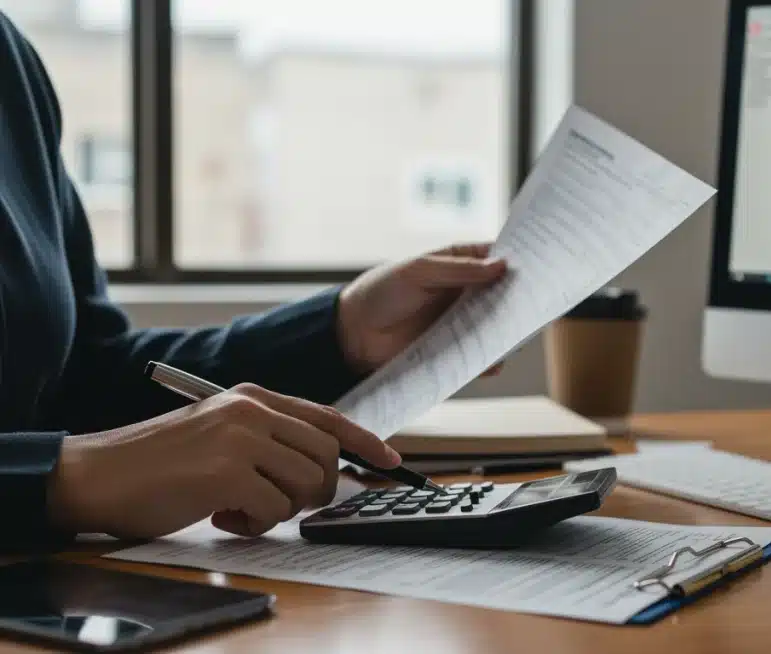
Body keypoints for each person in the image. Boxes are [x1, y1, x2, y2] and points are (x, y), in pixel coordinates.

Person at [0, 12, 507, 551]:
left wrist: (340, 334)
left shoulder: (12, 63)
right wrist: (66, 478)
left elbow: (84, 378)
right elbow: (92, 452)